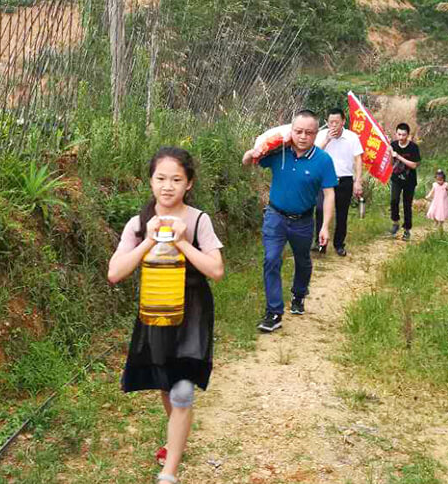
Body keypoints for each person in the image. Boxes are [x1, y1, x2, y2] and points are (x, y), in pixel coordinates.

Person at [108, 147, 224, 484]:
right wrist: (148, 240)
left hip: (193, 311)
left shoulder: (199, 220)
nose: (167, 186)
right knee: (166, 383)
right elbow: (115, 273)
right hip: (156, 311)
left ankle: (169, 472)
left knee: (182, 390)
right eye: (161, 178)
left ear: (189, 183)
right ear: (150, 181)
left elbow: (216, 270)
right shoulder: (138, 223)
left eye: (176, 179)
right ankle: (177, 436)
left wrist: (183, 242)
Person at [242, 110, 337, 330]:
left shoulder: (323, 160)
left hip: (303, 221)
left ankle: (299, 294)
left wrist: (324, 227)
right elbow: (249, 162)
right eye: (298, 131)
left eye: (309, 133)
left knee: (303, 260)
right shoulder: (279, 153)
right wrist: (250, 153)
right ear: (291, 130)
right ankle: (274, 313)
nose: (303, 136)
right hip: (275, 217)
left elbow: (329, 194)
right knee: (271, 259)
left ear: (316, 134)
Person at [313, 107, 364, 256]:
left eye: (337, 122)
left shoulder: (352, 137)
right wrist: (327, 140)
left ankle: (339, 244)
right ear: (326, 122)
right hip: (324, 180)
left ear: (343, 121)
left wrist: (358, 180)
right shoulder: (321, 135)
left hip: (345, 179)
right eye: (331, 122)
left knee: (342, 213)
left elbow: (358, 159)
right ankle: (320, 243)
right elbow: (313, 154)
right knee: (320, 209)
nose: (333, 125)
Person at [389, 122, 421, 241]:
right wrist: (389, 154)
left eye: (403, 135)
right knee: (394, 200)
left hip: (409, 180)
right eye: (399, 134)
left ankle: (407, 229)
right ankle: (395, 222)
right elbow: (391, 164)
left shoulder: (413, 147)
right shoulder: (393, 145)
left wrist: (399, 156)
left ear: (408, 135)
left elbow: (414, 165)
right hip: (396, 178)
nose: (401, 137)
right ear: (396, 134)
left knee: (407, 205)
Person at [425, 169, 448, 233]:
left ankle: (441, 224)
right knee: (432, 211)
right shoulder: (434, 184)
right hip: (436, 201)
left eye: (441, 180)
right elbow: (432, 191)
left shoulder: (445, 185)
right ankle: (436, 221)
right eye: (437, 180)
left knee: (441, 213)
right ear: (435, 179)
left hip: (443, 202)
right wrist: (428, 195)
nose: (439, 181)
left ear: (444, 179)